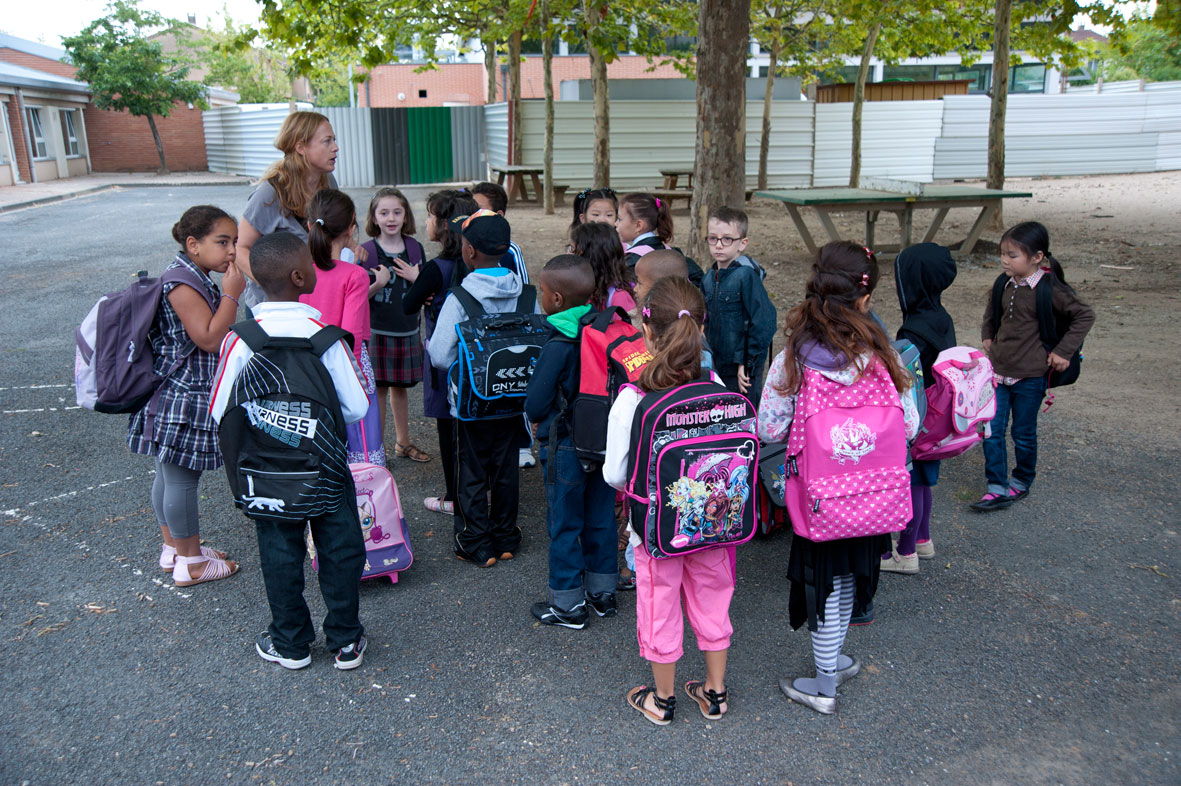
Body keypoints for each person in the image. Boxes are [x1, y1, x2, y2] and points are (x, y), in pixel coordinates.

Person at [758, 241, 920, 715]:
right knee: (849, 577)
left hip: (819, 497)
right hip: (874, 493)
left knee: (823, 580)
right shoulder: (881, 352)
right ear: (865, 299)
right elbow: (907, 425)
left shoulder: (795, 357)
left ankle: (823, 683)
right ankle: (832, 661)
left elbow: (769, 426)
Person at [210, 231, 370, 671]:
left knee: (279, 552)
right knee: (339, 549)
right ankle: (345, 640)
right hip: (326, 470)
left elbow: (219, 408)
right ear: (300, 276)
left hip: (266, 473)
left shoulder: (240, 338)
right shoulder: (326, 337)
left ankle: (291, 641)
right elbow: (356, 407)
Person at [604, 277, 736, 726]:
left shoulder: (634, 397)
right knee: (715, 598)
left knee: (660, 604)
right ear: (701, 328)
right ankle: (714, 693)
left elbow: (615, 474)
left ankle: (661, 700)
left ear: (647, 333)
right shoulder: (718, 384)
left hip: (657, 528)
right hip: (716, 523)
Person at [128, 206, 244, 587]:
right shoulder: (182, 284)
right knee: (180, 480)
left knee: (167, 475)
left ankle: (175, 549)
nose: (231, 251)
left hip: (172, 393)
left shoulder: (189, 274)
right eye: (222, 242)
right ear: (193, 244)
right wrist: (231, 296)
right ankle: (191, 562)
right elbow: (209, 338)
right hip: (184, 396)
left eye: (234, 242)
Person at [972, 221, 1095, 512]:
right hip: (998, 373)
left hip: (1031, 377)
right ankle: (996, 486)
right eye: (1003, 253)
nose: (1004, 260)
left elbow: (1084, 315)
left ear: (1037, 257)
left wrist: (1064, 351)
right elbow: (992, 311)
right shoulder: (1003, 282)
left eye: (1012, 255)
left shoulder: (1049, 289)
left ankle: (1022, 480)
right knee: (991, 430)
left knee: (1023, 433)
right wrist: (988, 337)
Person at [526, 255, 620, 629]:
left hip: (565, 446)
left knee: (565, 524)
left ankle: (567, 605)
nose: (541, 297)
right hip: (606, 444)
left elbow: (535, 402)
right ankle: (602, 593)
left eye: (543, 292)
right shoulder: (605, 329)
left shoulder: (559, 342)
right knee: (600, 518)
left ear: (558, 300)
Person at [429, 210, 526, 568]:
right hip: (515, 398)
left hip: (471, 404)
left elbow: (440, 355)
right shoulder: (526, 293)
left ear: (468, 252)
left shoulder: (461, 298)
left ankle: (474, 541)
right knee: (505, 468)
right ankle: (505, 536)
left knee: (470, 471)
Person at [881, 242, 958, 574]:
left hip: (920, 417)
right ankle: (923, 539)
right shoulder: (940, 317)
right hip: (939, 416)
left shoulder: (913, 330)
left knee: (911, 481)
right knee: (925, 480)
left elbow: (905, 378)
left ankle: (907, 550)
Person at [402, 189, 480, 515]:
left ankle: (454, 497)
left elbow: (407, 305)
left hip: (445, 363)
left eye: (431, 216)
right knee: (476, 434)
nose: (426, 222)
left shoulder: (437, 268)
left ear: (445, 224)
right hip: (478, 362)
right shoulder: (480, 261)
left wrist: (421, 283)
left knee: (449, 434)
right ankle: (480, 492)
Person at [236, 111, 363, 308]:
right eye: (327, 141)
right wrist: (274, 287)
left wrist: (351, 246)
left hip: (313, 302)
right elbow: (240, 248)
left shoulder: (329, 183)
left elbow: (332, 232)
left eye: (334, 140)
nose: (336, 148)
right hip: (272, 308)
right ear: (301, 147)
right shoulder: (269, 194)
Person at [299, 188, 385, 465]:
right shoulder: (355, 275)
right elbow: (351, 336)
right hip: (347, 367)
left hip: (307, 369)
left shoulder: (299, 271)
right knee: (358, 446)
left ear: (310, 226)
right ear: (351, 227)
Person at [358, 187, 430, 464]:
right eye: (384, 212)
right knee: (377, 390)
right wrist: (378, 283)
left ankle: (403, 443)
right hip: (377, 331)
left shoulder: (414, 247)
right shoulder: (366, 251)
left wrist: (417, 279)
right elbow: (356, 297)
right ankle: (377, 449)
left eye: (397, 212)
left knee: (400, 389)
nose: (391, 218)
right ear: (374, 217)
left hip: (408, 329)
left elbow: (425, 291)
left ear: (405, 215)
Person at [470, 181, 535, 469]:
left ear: (499, 216)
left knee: (516, 381)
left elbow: (523, 284)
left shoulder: (512, 250)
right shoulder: (469, 243)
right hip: (483, 326)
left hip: (512, 323)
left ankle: (523, 445)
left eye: (479, 210)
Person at [700, 206, 776, 405]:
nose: (719, 245)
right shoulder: (708, 278)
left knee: (744, 415)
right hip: (717, 365)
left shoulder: (746, 276)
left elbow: (764, 323)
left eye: (727, 239)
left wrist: (746, 361)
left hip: (742, 372)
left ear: (742, 243)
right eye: (713, 238)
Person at [616, 192, 704, 287]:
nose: (615, 223)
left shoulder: (633, 260)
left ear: (638, 225)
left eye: (619, 219)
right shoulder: (672, 253)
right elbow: (699, 278)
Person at [569, 221, 636, 313]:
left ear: (591, 257)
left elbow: (626, 327)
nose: (568, 254)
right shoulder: (581, 288)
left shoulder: (619, 298)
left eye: (572, 249)